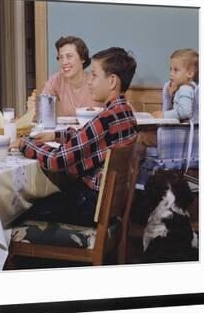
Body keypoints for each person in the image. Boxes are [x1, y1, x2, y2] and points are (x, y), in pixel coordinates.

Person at [14, 47, 138, 226]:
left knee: (19, 210)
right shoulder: (125, 113)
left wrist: (23, 143)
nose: (90, 82)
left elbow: (58, 160)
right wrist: (56, 135)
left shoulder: (105, 119)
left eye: (94, 75)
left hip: (90, 204)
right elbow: (88, 137)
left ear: (112, 81)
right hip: (106, 205)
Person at [27, 36, 103, 116]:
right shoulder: (56, 80)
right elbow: (42, 109)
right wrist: (34, 108)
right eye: (61, 57)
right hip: (71, 128)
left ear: (82, 59)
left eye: (69, 56)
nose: (64, 62)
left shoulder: (96, 81)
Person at [151, 49, 199, 120]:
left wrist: (164, 115)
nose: (171, 73)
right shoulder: (183, 88)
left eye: (176, 70)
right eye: (171, 69)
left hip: (182, 131)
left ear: (190, 74)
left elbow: (185, 112)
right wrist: (172, 95)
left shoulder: (185, 89)